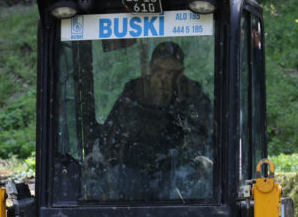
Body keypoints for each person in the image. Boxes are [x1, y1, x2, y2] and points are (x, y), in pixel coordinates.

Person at [88, 41, 214, 201]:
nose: (162, 77)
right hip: (133, 167)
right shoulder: (134, 90)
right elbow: (112, 133)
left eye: (169, 73)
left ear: (180, 73)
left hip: (179, 169)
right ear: (150, 68)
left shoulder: (193, 94)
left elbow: (206, 134)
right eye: (158, 71)